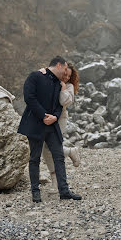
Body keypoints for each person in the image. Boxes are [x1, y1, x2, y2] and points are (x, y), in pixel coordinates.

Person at [17, 56, 82, 202]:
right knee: (34, 158)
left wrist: (54, 117)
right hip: (35, 123)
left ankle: (64, 191)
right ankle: (35, 192)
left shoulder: (58, 84)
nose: (66, 73)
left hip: (53, 124)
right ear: (59, 65)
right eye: (65, 69)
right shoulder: (35, 76)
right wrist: (43, 115)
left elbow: (59, 105)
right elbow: (29, 97)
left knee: (58, 156)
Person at [39, 62, 80, 193]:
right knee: (46, 149)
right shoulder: (50, 80)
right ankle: (69, 152)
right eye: (65, 74)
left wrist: (62, 88)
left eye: (69, 76)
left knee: (51, 147)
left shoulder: (69, 87)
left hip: (60, 119)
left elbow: (63, 102)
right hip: (45, 117)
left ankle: (56, 181)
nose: (66, 78)